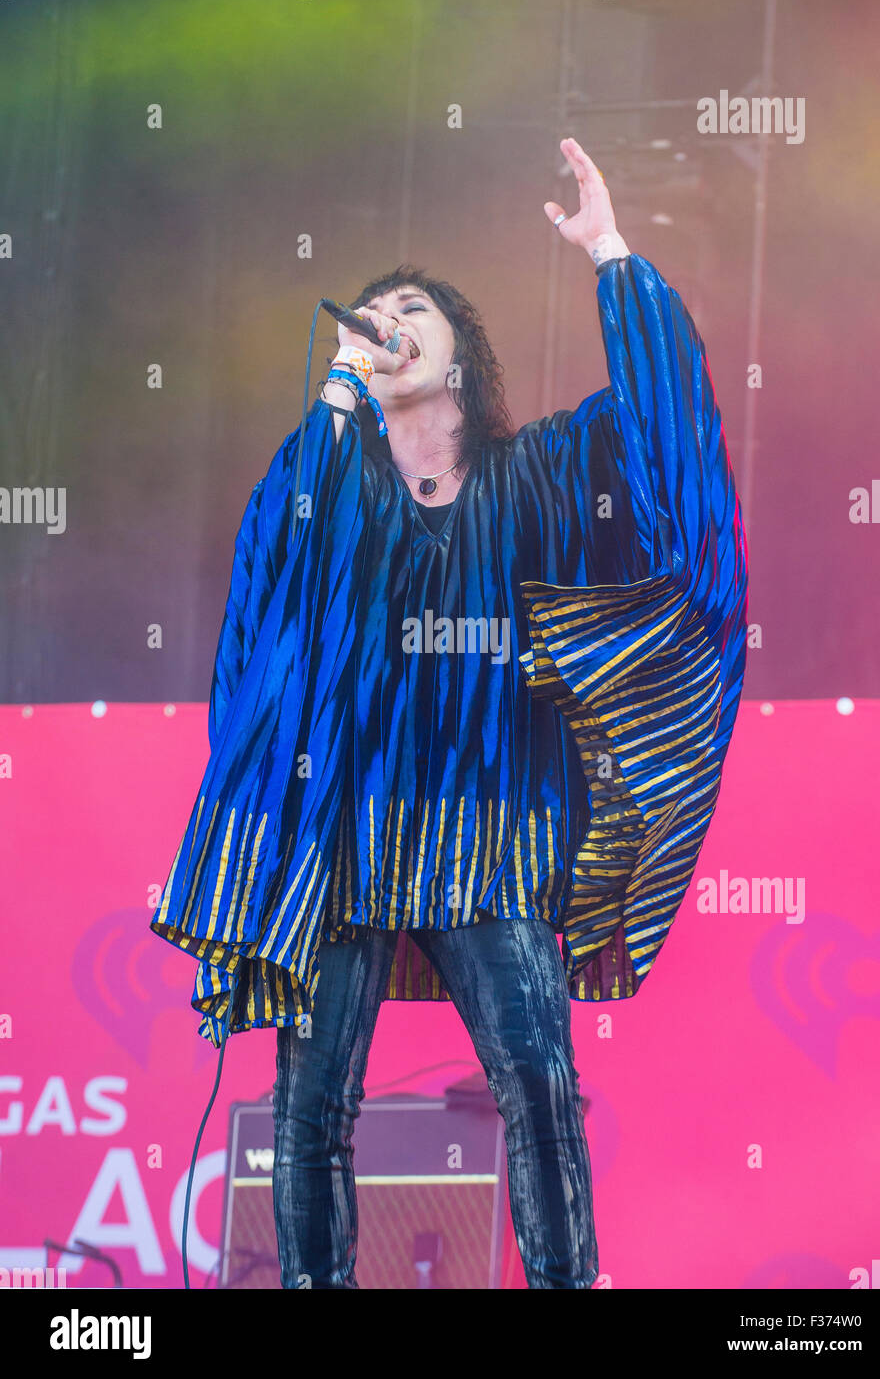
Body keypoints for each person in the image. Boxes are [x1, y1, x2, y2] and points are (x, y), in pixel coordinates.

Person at [150, 137, 748, 1289]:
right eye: (369, 313)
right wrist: (336, 392)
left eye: (409, 307)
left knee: (538, 1087)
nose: (385, 320)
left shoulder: (544, 474)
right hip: (349, 834)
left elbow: (670, 438)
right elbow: (271, 563)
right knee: (312, 1103)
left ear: (459, 351)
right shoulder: (338, 484)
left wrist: (612, 256)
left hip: (494, 827)